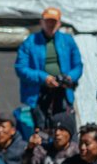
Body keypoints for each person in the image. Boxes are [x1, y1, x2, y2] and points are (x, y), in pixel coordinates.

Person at [15, 7, 83, 135]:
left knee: (65, 128)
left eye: (54, 22)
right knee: (42, 129)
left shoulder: (67, 40)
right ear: (41, 22)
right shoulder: (30, 42)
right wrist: (44, 77)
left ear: (59, 23)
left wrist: (69, 78)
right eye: (48, 21)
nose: (51, 24)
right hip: (39, 93)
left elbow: (78, 66)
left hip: (63, 92)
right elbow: (20, 68)